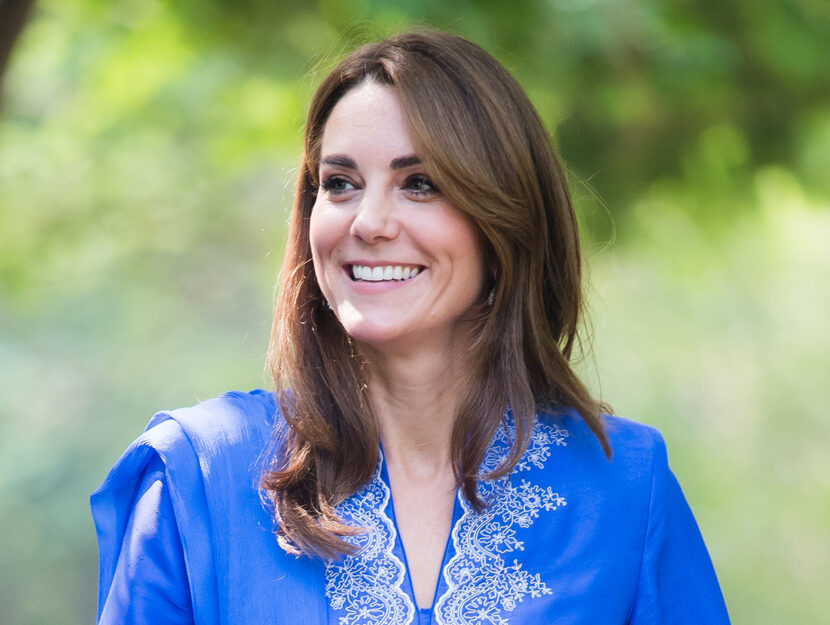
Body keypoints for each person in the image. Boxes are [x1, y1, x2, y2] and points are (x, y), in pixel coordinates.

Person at [91, 30, 731, 625]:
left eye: (419, 183)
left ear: (505, 219)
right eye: (339, 184)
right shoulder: (196, 482)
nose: (367, 221)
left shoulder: (624, 487)